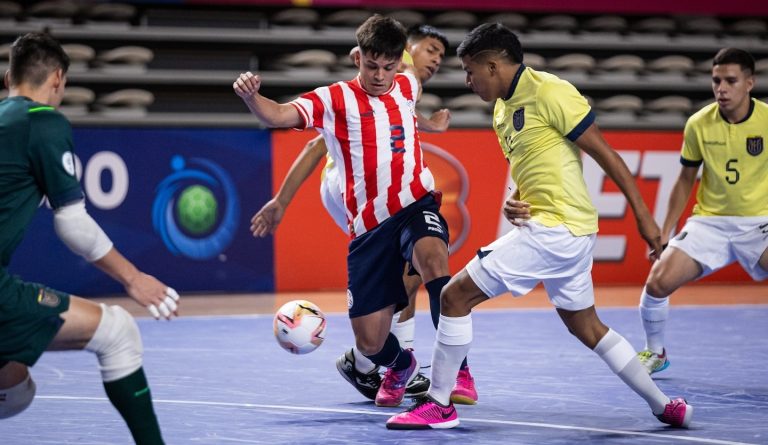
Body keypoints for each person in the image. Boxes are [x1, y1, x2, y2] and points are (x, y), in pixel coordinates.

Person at [386, 23, 693, 430]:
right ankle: (664, 405)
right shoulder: (500, 110)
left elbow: (606, 155)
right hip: (562, 230)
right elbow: (532, 165)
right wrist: (516, 200)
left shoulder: (550, 91)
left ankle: (440, 404)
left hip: (558, 230)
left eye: (470, 70)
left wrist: (643, 218)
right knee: (587, 327)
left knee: (455, 296)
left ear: (493, 66)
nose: (467, 80)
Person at [250, 25, 477, 404]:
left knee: (433, 264)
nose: (380, 76)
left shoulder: (406, 87)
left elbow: (405, 111)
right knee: (375, 332)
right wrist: (252, 98)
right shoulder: (338, 99)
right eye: (430, 51)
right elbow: (284, 120)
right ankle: (392, 363)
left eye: (388, 67)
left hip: (414, 205)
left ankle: (457, 371)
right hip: (361, 209)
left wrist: (429, 125)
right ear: (360, 58)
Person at [0, 32, 180, 444]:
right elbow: (72, 223)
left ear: (9, 77)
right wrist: (133, 277)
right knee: (118, 331)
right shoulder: (41, 121)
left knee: (13, 388)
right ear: (59, 79)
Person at [636, 48, 768, 375]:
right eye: (716, 80)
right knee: (657, 282)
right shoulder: (698, 124)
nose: (721, 88)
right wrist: (665, 232)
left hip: (760, 223)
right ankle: (656, 353)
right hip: (710, 223)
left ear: (749, 83)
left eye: (730, 81)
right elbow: (684, 181)